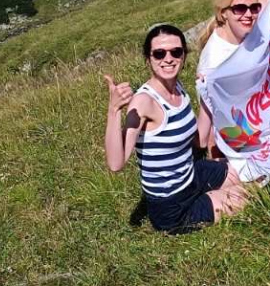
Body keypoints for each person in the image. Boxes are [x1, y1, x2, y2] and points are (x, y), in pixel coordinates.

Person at [104, 24, 248, 234]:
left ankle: (211, 193)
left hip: (193, 174)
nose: (168, 58)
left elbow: (198, 141)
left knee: (253, 171)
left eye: (176, 52)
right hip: (172, 207)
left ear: (183, 56)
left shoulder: (177, 88)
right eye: (159, 54)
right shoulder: (143, 102)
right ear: (148, 59)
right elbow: (116, 163)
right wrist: (114, 109)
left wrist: (207, 97)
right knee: (247, 195)